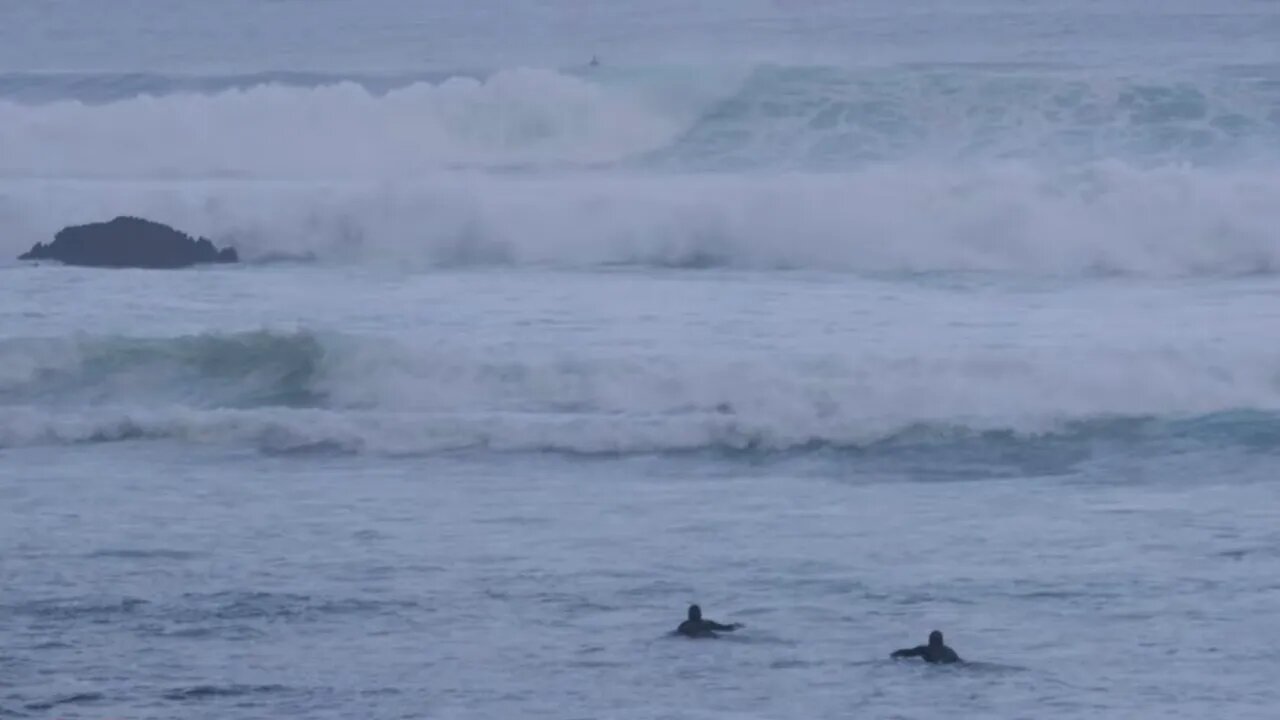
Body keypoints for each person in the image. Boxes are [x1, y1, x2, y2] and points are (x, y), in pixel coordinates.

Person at [891, 630, 962, 663]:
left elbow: (907, 653)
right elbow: (906, 652)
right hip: (945, 673)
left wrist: (894, 655)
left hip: (934, 672)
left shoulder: (925, 650)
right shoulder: (949, 652)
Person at [676, 604, 741, 638]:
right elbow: (725, 628)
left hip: (691, 638)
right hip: (707, 637)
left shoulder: (684, 626)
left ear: (688, 615)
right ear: (700, 614)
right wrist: (736, 626)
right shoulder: (707, 623)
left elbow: (676, 634)